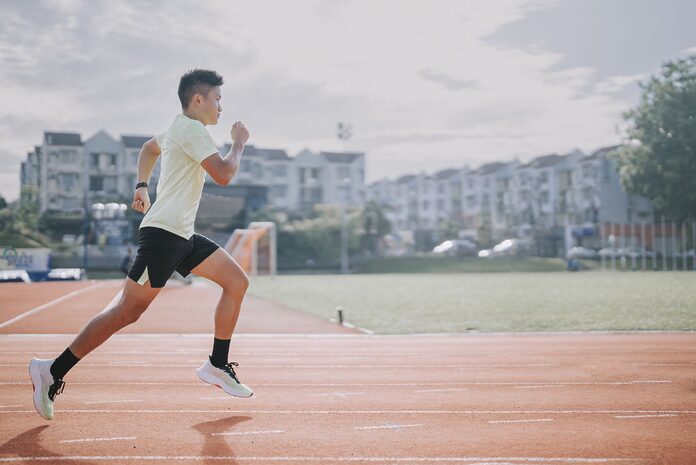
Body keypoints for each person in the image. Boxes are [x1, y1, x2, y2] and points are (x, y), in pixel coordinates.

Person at [28, 69, 253, 420]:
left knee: (237, 282)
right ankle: (51, 371)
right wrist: (238, 142)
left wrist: (141, 186)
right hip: (164, 236)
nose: (221, 107)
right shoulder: (192, 130)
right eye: (218, 99)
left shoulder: (178, 129)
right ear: (198, 100)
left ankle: (217, 364)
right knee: (126, 313)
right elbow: (224, 174)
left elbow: (150, 149)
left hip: (182, 235)